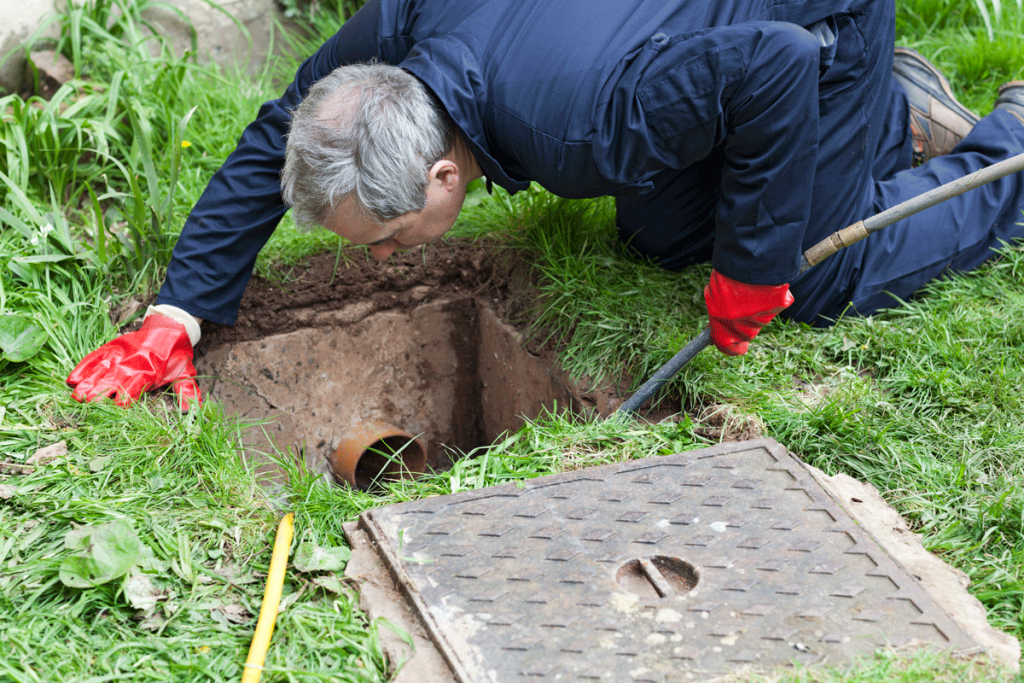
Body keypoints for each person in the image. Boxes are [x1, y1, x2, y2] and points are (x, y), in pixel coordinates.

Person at [66, 0, 1024, 411]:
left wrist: (756, 268)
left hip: (812, 25)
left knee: (812, 278)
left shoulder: (580, 132)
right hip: (698, 34)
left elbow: (771, 65)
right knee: (660, 234)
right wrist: (176, 312)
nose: (384, 259)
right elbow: (286, 123)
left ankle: (1004, 146)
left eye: (389, 238)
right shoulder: (401, 29)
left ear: (445, 178)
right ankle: (885, 115)